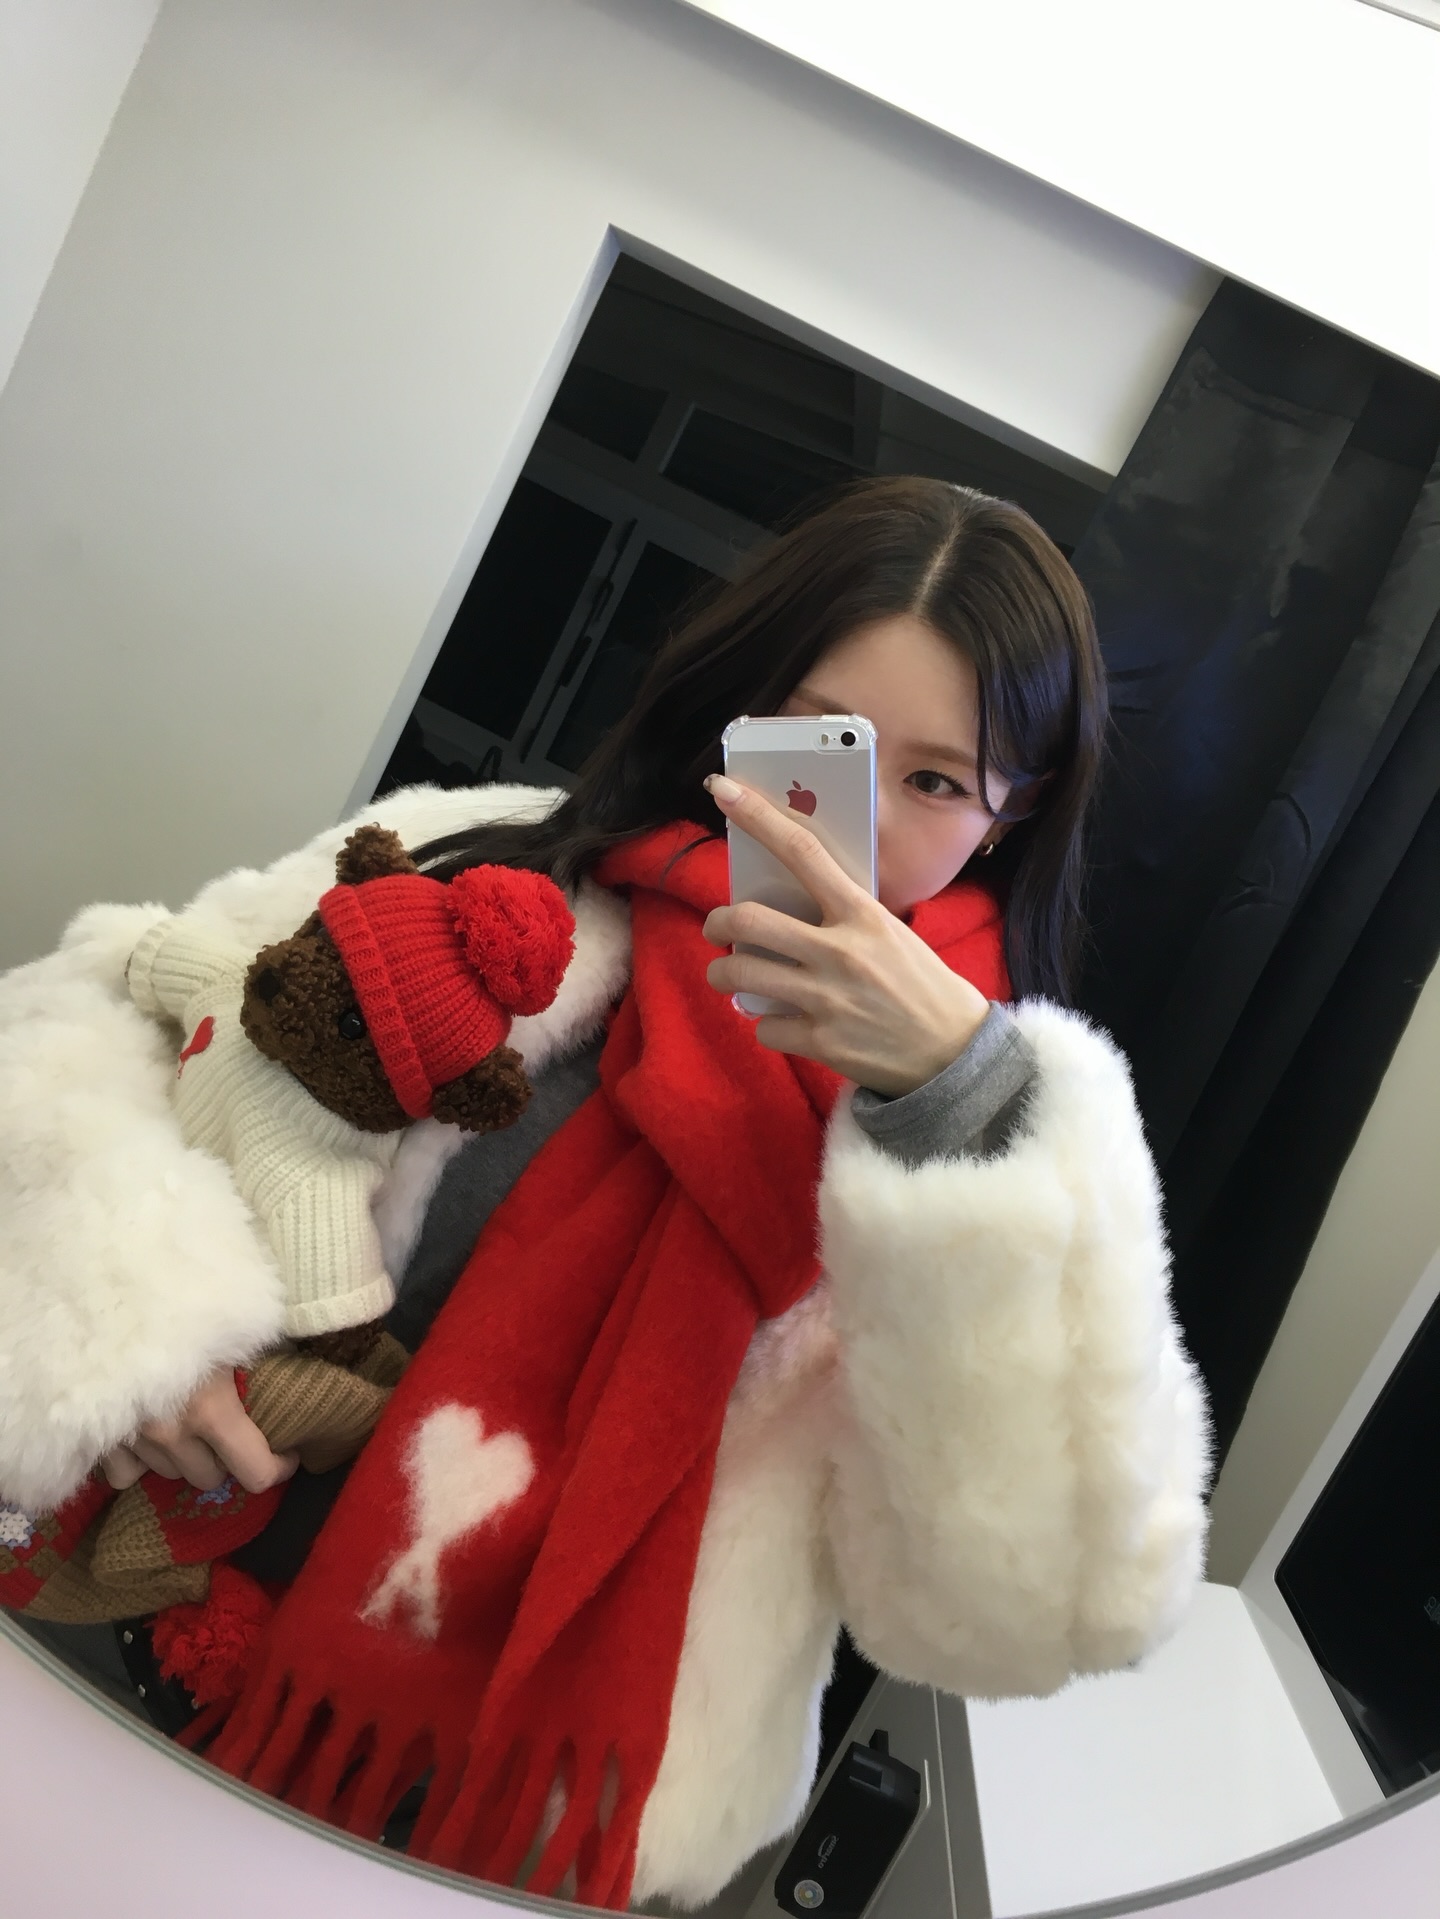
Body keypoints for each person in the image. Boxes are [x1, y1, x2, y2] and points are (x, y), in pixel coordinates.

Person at [0, 478, 1209, 1912]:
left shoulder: (1003, 1142)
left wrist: (953, 1104)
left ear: (1016, 813)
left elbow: (1038, 1609)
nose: (859, 827)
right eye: (825, 746)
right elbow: (93, 1021)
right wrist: (130, 1329)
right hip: (100, 1628)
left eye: (940, 783)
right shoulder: (496, 861)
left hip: (494, 1841)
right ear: (742, 712)